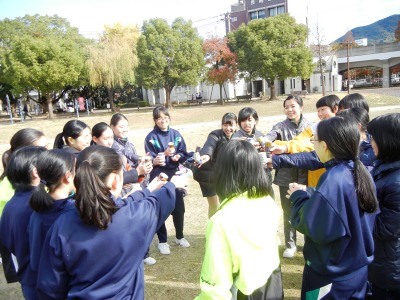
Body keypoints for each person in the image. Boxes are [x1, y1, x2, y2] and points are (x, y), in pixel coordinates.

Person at [36, 145, 186, 299]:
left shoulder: (62, 222)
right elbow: (161, 200)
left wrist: (148, 190)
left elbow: (50, 286)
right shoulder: (137, 216)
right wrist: (172, 184)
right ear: (116, 180)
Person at [288, 117, 378, 299]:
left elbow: (314, 225)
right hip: (356, 271)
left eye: (314, 140)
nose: (313, 145)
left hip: (332, 279)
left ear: (325, 145)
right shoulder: (359, 170)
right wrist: (312, 193)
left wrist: (297, 197)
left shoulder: (334, 179)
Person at [195, 139, 282, 299]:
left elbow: (214, 288)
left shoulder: (221, 221)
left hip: (244, 291)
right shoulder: (268, 202)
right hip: (272, 284)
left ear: (223, 172)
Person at [264, 95, 312, 258]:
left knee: (307, 210)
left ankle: (308, 243)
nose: (289, 110)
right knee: (288, 211)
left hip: (306, 175)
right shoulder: (280, 126)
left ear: (301, 107)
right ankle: (290, 244)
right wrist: (266, 140)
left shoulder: (310, 126)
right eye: (286, 107)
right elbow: (271, 135)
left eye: (293, 106)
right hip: (286, 176)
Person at [0, 129, 48, 284]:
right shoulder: (11, 192)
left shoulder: (30, 187)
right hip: (32, 266)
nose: (49, 153)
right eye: (44, 148)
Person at [145, 105, 190, 255]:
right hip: (158, 177)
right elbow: (149, 157)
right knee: (161, 209)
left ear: (169, 118)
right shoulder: (151, 137)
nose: (163, 121)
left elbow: (184, 152)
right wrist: (160, 156)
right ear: (155, 120)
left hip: (174, 175)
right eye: (159, 118)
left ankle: (179, 236)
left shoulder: (176, 134)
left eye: (165, 118)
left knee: (178, 208)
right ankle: (163, 241)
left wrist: (179, 157)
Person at [367, 113, 400, 299]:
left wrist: (354, 212)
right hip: (383, 261)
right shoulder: (386, 167)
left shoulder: (396, 182)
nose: (371, 143)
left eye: (374, 138)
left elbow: (386, 228)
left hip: (391, 267)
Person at [28, 149, 76, 276]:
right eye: (76, 169)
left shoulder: (38, 209)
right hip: (61, 282)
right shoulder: (70, 214)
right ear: (68, 176)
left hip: (41, 276)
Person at [193, 112, 237, 218]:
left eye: (231, 125)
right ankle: (212, 230)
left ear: (236, 125)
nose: (228, 128)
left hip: (222, 174)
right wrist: (207, 155)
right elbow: (210, 145)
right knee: (214, 204)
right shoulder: (215, 134)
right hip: (207, 173)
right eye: (225, 125)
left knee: (225, 202)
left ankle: (224, 229)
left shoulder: (238, 137)